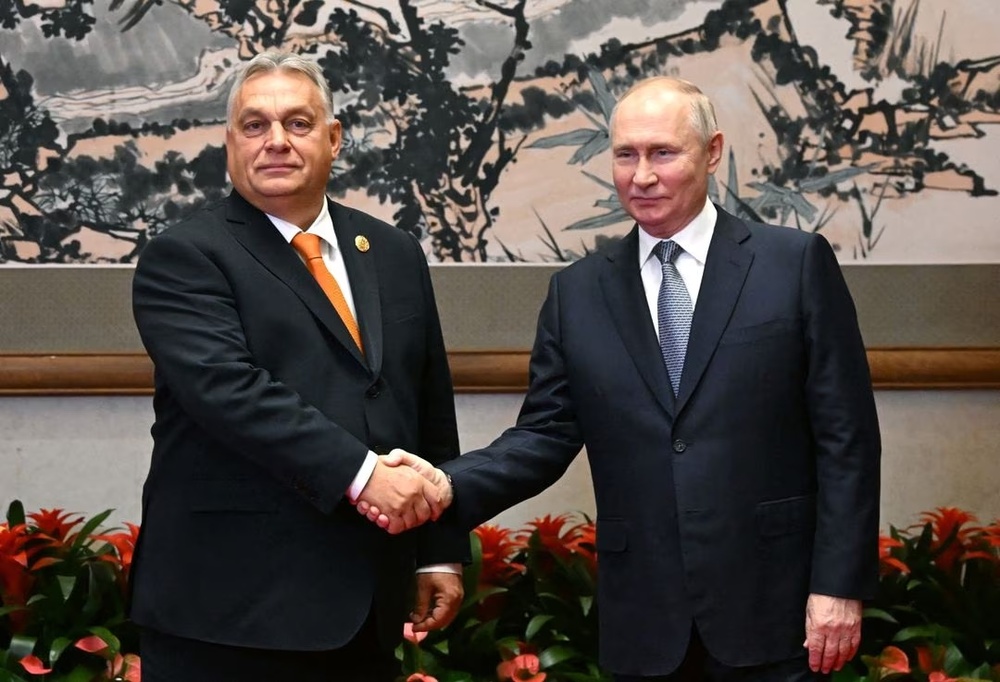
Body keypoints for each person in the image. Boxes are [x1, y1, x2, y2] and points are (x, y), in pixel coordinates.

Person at [362, 76, 882, 681]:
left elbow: (847, 438)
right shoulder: (577, 292)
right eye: (625, 155)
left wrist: (839, 586)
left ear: (711, 152)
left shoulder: (792, 265)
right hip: (645, 621)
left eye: (663, 153)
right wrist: (446, 484)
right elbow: (544, 437)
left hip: (777, 608)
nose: (642, 176)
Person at [130, 51, 467, 682]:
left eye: (298, 123)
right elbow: (230, 393)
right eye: (254, 126)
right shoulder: (185, 256)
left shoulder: (393, 252)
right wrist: (366, 476)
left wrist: (438, 554)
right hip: (229, 614)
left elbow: (426, 404)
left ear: (334, 138)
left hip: (364, 607)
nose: (275, 142)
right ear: (229, 143)